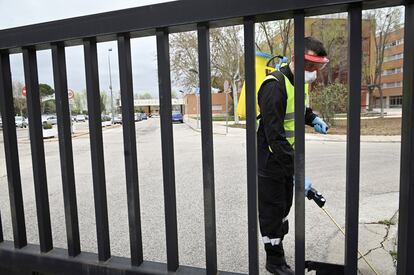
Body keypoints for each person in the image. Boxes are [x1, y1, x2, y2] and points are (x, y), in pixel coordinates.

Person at [257, 37, 329, 275]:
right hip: (271, 160)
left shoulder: (300, 83)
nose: (313, 72)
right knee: (272, 211)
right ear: (296, 60)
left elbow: (301, 109)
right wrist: (297, 172)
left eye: (317, 67)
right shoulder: (274, 86)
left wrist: (313, 118)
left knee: (283, 207)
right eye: (310, 66)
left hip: (287, 158)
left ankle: (279, 251)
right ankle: (274, 262)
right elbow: (274, 137)